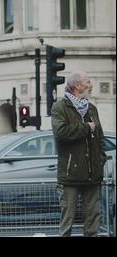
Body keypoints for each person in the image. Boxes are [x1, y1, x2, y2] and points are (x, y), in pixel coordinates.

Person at [51, 71, 107, 237]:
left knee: (93, 218)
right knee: (67, 218)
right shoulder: (60, 107)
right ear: (77, 86)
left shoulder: (92, 109)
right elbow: (61, 133)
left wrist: (100, 158)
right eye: (88, 82)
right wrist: (85, 128)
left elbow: (100, 137)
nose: (91, 85)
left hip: (92, 174)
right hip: (70, 176)